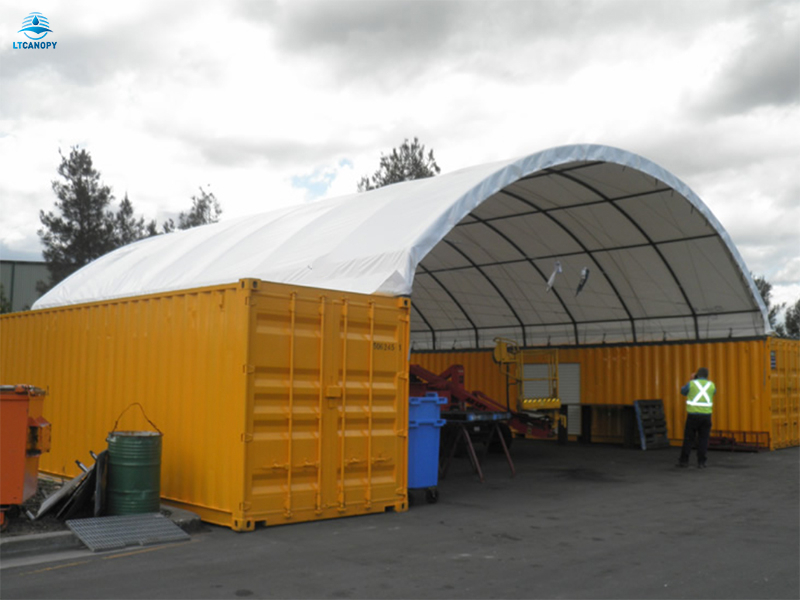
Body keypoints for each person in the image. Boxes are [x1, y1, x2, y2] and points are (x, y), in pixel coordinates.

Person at [676, 367, 716, 469]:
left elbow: (683, 391)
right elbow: (713, 392)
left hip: (693, 416)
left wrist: (691, 380)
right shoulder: (711, 385)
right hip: (706, 416)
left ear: (697, 375)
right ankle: (701, 462)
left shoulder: (692, 384)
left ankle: (684, 461)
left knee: (689, 439)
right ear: (707, 375)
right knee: (703, 439)